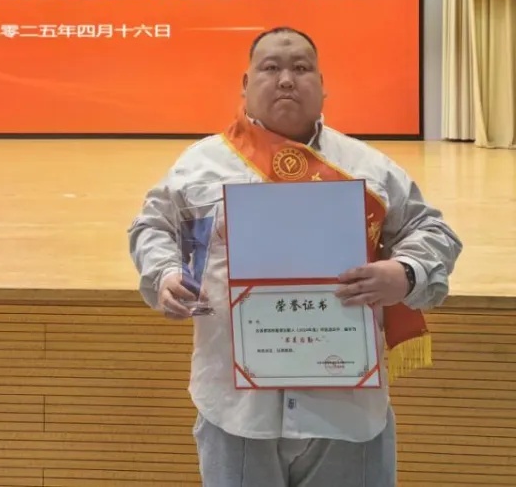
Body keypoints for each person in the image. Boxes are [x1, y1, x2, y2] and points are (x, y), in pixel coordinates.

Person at [127, 26, 462, 487]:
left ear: (322, 85)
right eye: (271, 68)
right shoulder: (200, 165)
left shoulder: (367, 166)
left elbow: (432, 231)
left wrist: (404, 273)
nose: (286, 79)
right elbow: (153, 227)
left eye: (301, 68)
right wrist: (165, 274)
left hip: (346, 411)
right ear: (246, 84)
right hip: (236, 410)